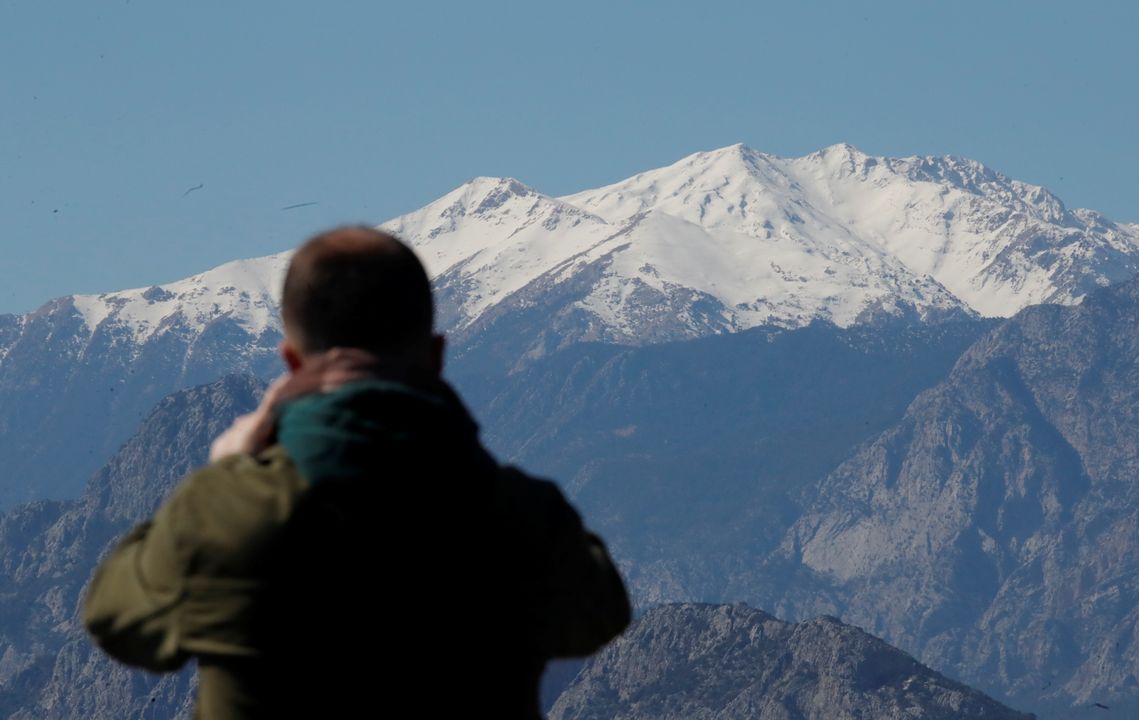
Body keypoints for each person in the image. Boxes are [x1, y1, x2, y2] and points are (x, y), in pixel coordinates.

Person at [83, 225, 631, 719]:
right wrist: (467, 460)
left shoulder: (225, 516)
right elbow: (601, 613)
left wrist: (225, 475)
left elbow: (115, 618)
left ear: (292, 363)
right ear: (437, 357)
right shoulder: (521, 518)